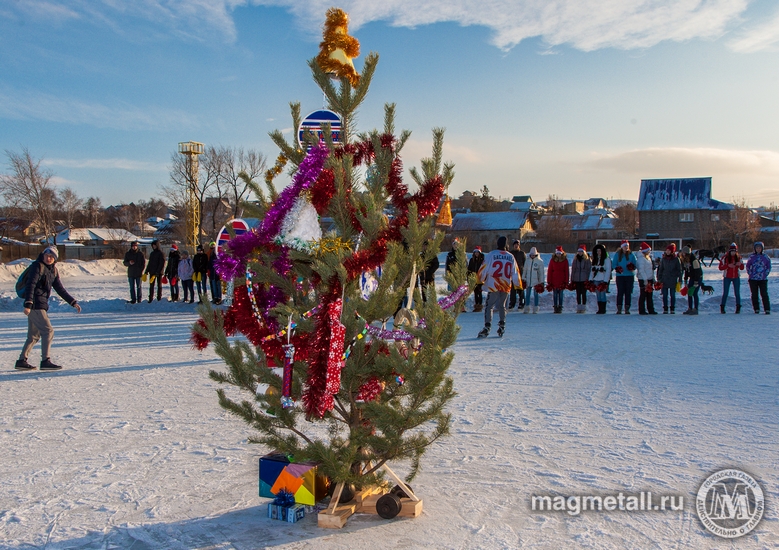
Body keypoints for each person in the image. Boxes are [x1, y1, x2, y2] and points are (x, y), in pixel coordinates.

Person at [15, 246, 81, 370]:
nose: (49, 258)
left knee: (33, 335)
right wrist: (28, 304)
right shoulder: (37, 266)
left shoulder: (53, 271)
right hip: (35, 304)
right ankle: (45, 360)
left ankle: (21, 360)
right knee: (48, 331)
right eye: (47, 255)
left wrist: (72, 302)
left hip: (41, 304)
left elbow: (60, 289)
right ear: (43, 255)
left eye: (52, 257)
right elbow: (31, 285)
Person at [477, 236, 521, 337]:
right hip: (505, 285)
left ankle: (487, 326)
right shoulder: (510, 256)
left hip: (493, 285)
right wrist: (518, 286)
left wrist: (480, 281)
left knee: (489, 306)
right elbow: (515, 272)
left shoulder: (492, 254)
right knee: (502, 306)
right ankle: (502, 324)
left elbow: (483, 268)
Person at [611, 240, 637, 314]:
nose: (626, 247)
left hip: (629, 276)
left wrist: (632, 267)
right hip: (620, 276)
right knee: (620, 292)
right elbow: (614, 264)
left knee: (628, 292)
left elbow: (635, 264)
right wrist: (617, 268)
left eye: (627, 246)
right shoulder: (617, 255)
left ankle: (627, 308)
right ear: (622, 247)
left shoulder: (632, 255)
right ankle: (619, 308)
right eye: (625, 246)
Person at [719, 242, 744, 314]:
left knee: (737, 293)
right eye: (732, 251)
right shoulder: (725, 257)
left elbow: (742, 268)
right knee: (725, 292)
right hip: (727, 277)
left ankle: (738, 307)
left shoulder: (739, 257)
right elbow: (720, 267)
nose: (733, 253)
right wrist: (727, 265)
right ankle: (722, 306)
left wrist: (740, 264)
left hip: (736, 277)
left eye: (734, 251)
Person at [746, 241, 771, 314]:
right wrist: (750, 273)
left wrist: (765, 273)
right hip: (753, 279)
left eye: (760, 248)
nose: (758, 249)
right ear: (755, 248)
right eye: (757, 248)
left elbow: (768, 266)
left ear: (762, 248)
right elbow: (748, 265)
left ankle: (767, 309)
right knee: (754, 294)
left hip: (762, 279)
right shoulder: (752, 257)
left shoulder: (765, 257)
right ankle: (756, 308)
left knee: (764, 294)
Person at [657, 243, 682, 314]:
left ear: (672, 251)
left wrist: (680, 279)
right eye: (666, 250)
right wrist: (659, 278)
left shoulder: (676, 259)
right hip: (664, 280)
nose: (667, 251)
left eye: (669, 250)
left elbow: (679, 270)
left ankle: (672, 308)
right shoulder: (663, 259)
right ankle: (665, 308)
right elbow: (660, 269)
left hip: (673, 279)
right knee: (664, 295)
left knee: (672, 295)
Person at [635, 242, 657, 315]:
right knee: (643, 295)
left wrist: (652, 278)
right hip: (643, 279)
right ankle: (642, 310)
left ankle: (651, 309)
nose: (649, 252)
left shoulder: (648, 258)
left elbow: (650, 269)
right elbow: (641, 270)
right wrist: (645, 280)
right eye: (648, 250)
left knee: (649, 295)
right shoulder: (641, 259)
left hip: (649, 278)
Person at [589, 243, 611, 314]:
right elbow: (592, 270)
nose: (598, 252)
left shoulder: (606, 259)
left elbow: (608, 270)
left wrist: (606, 281)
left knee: (602, 294)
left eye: (600, 251)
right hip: (596, 279)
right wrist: (590, 279)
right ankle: (599, 308)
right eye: (597, 251)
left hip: (602, 279)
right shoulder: (595, 260)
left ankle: (603, 309)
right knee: (598, 294)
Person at [522, 247, 545, 314]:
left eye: (534, 255)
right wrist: (523, 279)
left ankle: (536, 307)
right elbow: (525, 270)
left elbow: (541, 273)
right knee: (527, 294)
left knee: (536, 294)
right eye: (531, 254)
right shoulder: (527, 261)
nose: (532, 256)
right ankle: (527, 307)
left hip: (536, 281)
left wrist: (541, 282)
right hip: (528, 280)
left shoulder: (540, 262)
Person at [681, 245, 703, 315]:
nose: (682, 254)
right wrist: (685, 279)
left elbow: (697, 272)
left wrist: (696, 282)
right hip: (692, 278)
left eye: (683, 253)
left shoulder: (694, 260)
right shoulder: (686, 261)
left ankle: (696, 308)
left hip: (697, 278)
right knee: (689, 293)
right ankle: (690, 308)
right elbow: (687, 271)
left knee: (694, 293)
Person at [547, 245, 569, 313]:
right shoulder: (552, 260)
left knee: (561, 294)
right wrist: (549, 280)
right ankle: (555, 306)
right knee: (555, 294)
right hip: (554, 279)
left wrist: (566, 281)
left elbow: (567, 271)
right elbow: (550, 270)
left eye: (559, 253)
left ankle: (560, 306)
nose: (558, 255)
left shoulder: (565, 260)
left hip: (562, 279)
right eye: (557, 253)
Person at [570, 245, 591, 313]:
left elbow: (588, 269)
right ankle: (579, 307)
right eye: (579, 251)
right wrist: (572, 278)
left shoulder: (587, 260)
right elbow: (573, 269)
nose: (579, 253)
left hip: (584, 278)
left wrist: (588, 279)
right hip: (577, 279)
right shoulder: (575, 259)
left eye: (581, 251)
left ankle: (583, 306)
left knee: (584, 293)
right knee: (578, 293)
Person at [508, 240, 526, 310]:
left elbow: (524, 263)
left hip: (520, 273)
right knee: (513, 290)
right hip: (512, 273)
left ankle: (522, 303)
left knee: (520, 290)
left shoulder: (522, 253)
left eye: (517, 245)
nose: (516, 246)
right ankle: (512, 304)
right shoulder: (510, 253)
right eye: (515, 245)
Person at [467, 246, 485, 312]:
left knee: (479, 292)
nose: (476, 253)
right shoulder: (472, 260)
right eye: (475, 252)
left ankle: (479, 305)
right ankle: (476, 304)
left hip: (480, 279)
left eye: (478, 252)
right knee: (475, 292)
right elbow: (469, 269)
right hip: (473, 278)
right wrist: (468, 277)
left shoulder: (482, 260)